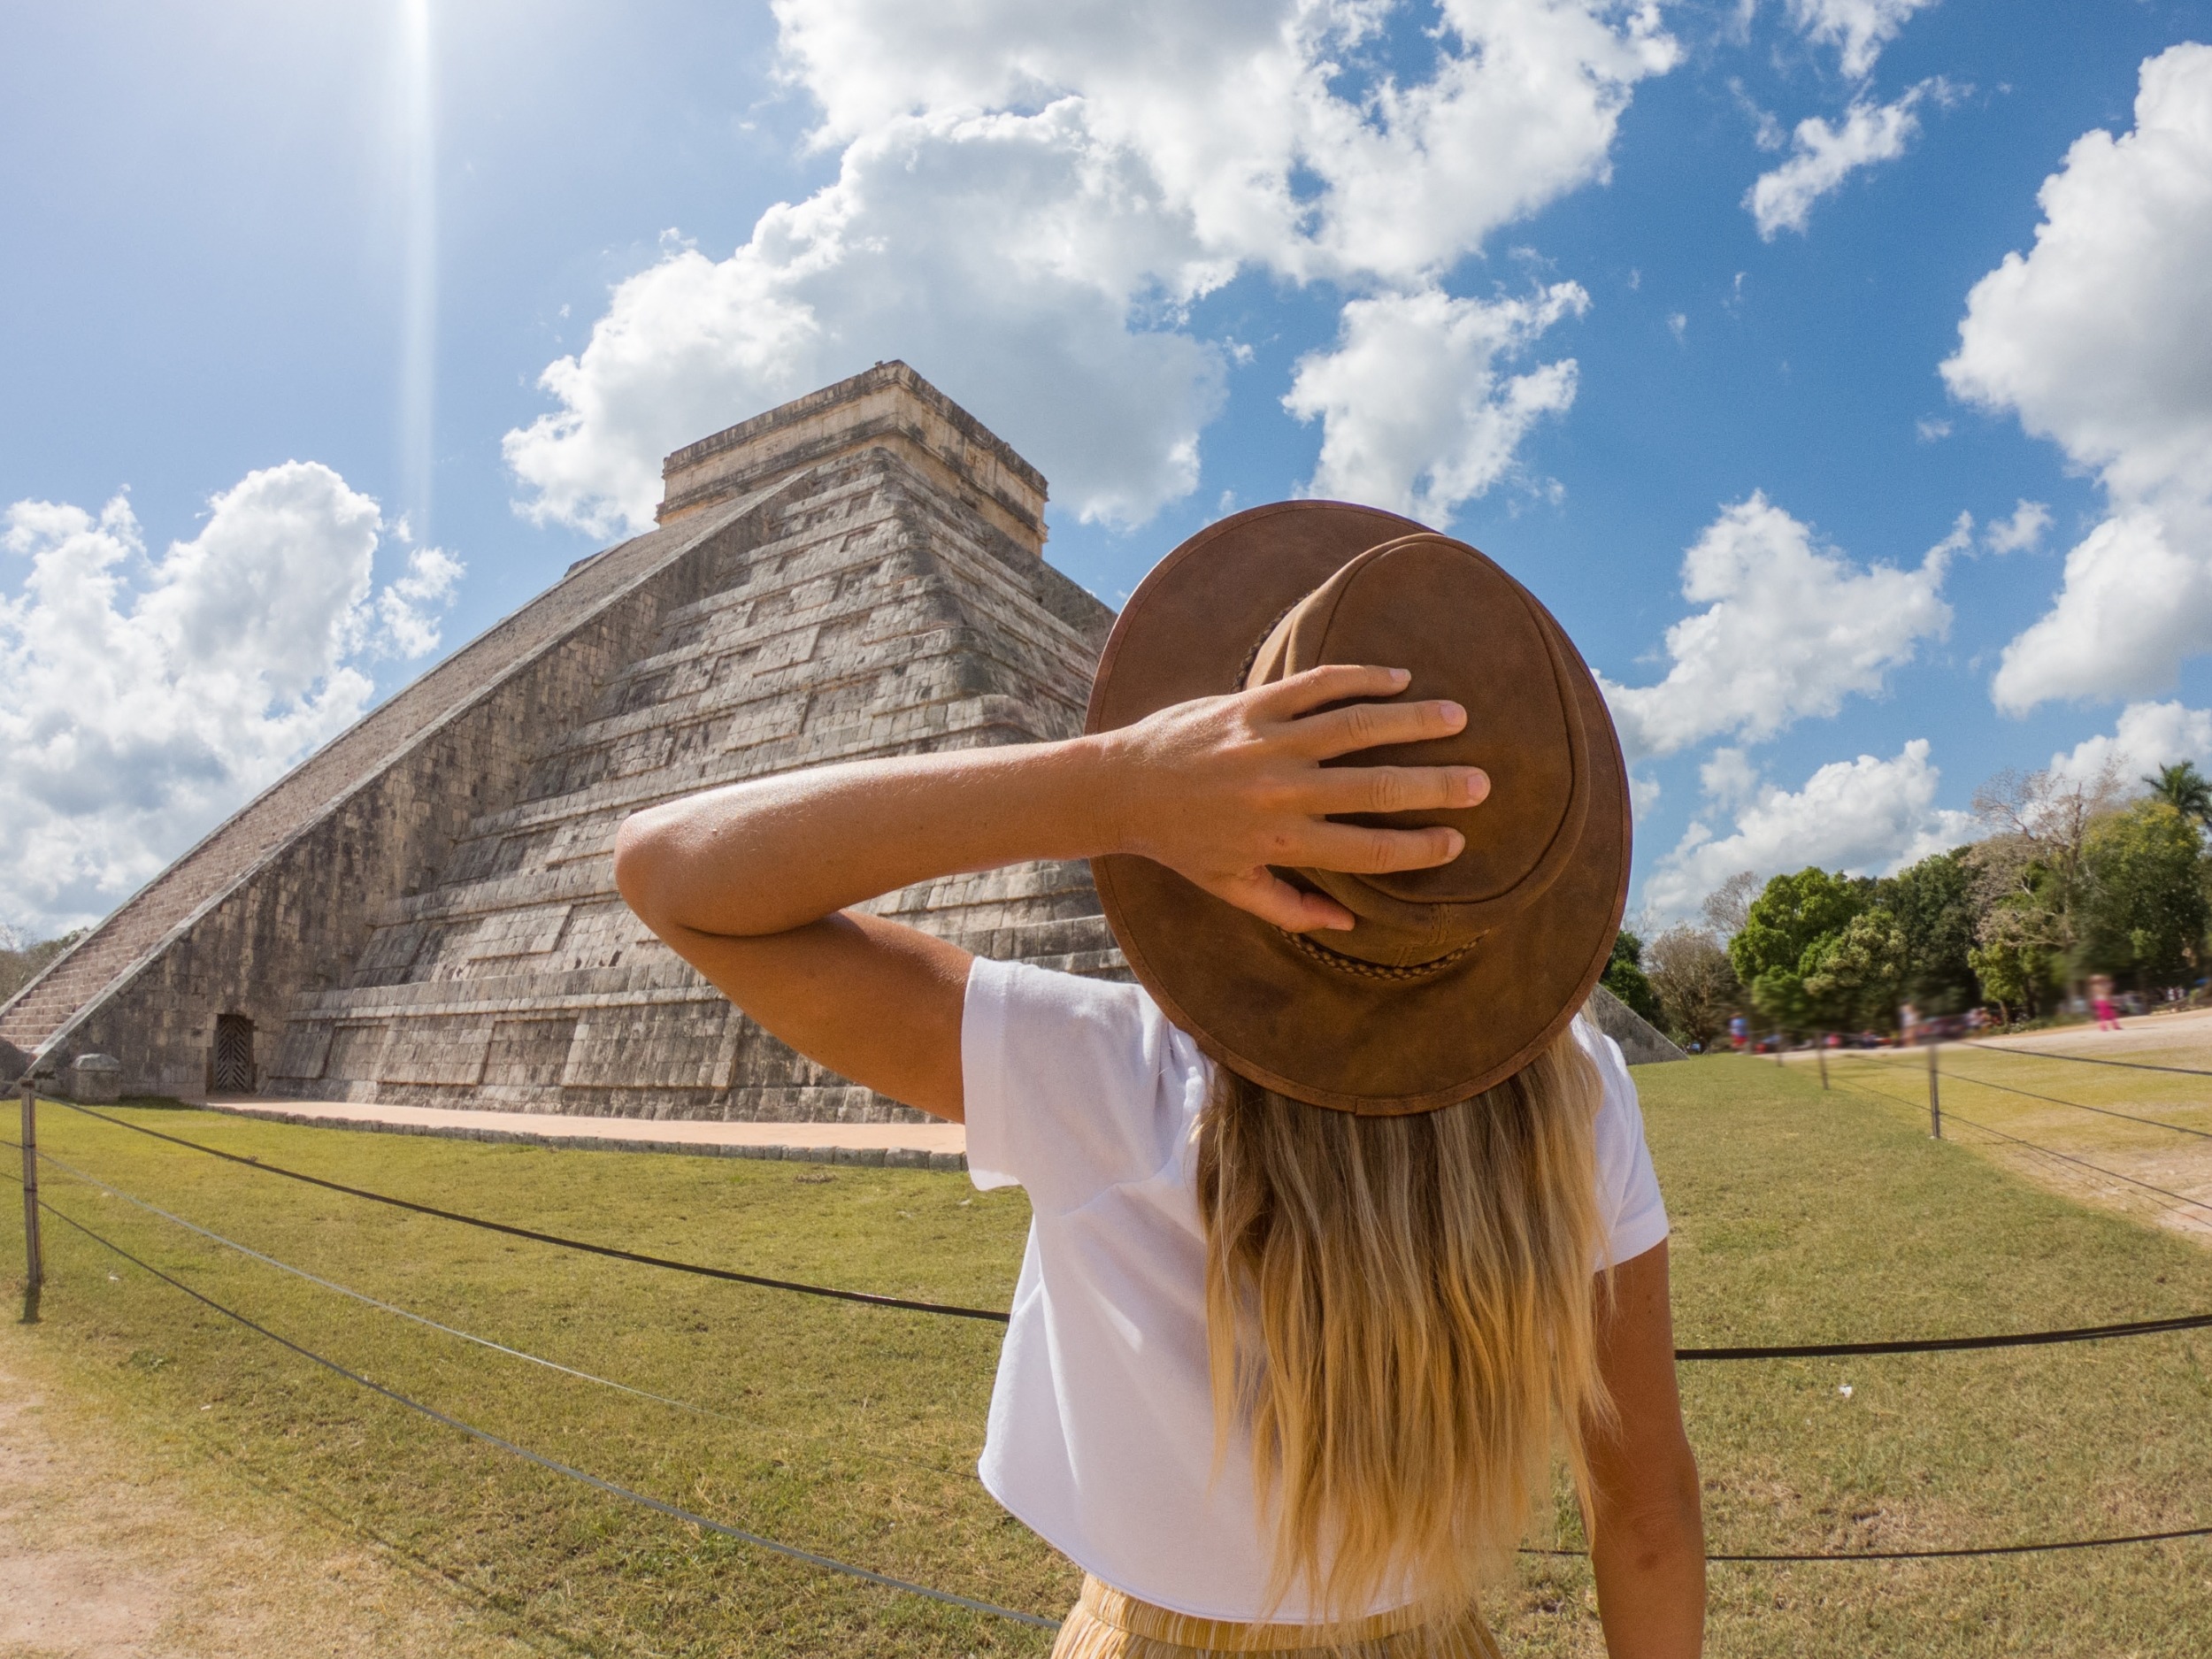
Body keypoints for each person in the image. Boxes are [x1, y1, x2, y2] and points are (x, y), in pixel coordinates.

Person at [616, 504, 1705, 1657]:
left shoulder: (1106, 1070)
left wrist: (1118, 791)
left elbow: (672, 872)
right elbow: (1645, 1515)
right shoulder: (1578, 1093)